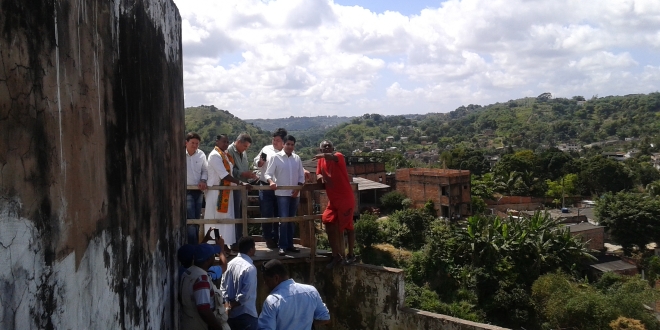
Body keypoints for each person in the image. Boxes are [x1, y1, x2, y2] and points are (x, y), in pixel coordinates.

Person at [206, 134, 253, 249]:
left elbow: (229, 174)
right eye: (223, 142)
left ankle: (223, 244)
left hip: (226, 192)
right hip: (216, 191)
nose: (226, 144)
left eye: (227, 142)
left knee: (225, 221)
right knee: (216, 221)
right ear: (217, 142)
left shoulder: (225, 156)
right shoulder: (215, 155)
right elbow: (224, 175)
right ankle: (215, 245)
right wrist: (241, 183)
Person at [315, 140, 356, 269]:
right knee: (327, 221)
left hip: (345, 198)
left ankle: (351, 255)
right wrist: (320, 177)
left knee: (347, 226)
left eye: (329, 146)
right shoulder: (321, 161)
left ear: (333, 148)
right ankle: (336, 255)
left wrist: (322, 155)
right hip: (333, 200)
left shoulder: (338, 156)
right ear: (321, 149)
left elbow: (331, 157)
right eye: (324, 146)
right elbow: (318, 173)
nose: (327, 147)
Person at [257, 259, 330, 330]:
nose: (265, 284)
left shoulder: (273, 300)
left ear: (276, 278)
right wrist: (307, 323)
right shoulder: (311, 291)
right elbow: (325, 318)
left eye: (267, 281)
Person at [264, 135, 305, 256]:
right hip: (282, 194)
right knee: (283, 220)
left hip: (294, 193)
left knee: (291, 220)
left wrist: (298, 189)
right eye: (288, 144)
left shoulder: (297, 158)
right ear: (283, 145)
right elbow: (268, 174)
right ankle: (282, 246)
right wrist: (271, 182)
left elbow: (301, 176)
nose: (290, 146)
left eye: (292, 144)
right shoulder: (275, 158)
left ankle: (290, 245)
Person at [180, 244, 231, 330]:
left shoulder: (189, 272)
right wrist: (218, 327)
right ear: (208, 260)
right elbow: (204, 310)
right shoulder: (201, 278)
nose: (214, 257)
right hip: (202, 325)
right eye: (213, 256)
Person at [254, 128, 288, 249]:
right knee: (267, 212)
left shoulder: (286, 152)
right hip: (266, 185)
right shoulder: (266, 149)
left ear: (283, 142)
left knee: (279, 213)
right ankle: (268, 238)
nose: (274, 142)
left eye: (277, 140)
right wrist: (260, 163)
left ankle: (278, 238)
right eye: (273, 140)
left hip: (281, 188)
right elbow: (256, 162)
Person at [226, 133, 258, 249]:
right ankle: (234, 241)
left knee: (241, 213)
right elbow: (229, 170)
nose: (245, 149)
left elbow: (244, 168)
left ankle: (239, 240)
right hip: (235, 186)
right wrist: (243, 174)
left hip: (243, 186)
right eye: (244, 146)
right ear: (238, 142)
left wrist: (250, 175)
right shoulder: (229, 150)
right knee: (235, 214)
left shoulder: (243, 152)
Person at [221, 236, 258, 330]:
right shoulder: (250, 268)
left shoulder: (230, 264)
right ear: (250, 250)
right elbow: (245, 296)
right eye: (254, 247)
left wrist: (227, 304)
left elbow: (223, 287)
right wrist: (232, 305)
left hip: (230, 315)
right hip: (246, 314)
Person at [186, 132, 208, 244]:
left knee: (196, 219)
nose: (195, 145)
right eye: (192, 143)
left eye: (197, 143)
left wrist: (203, 180)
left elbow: (205, 170)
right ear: (186, 143)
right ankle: (193, 246)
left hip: (199, 191)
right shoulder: (180, 154)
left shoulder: (201, 155)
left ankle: (195, 245)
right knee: (190, 220)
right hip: (186, 191)